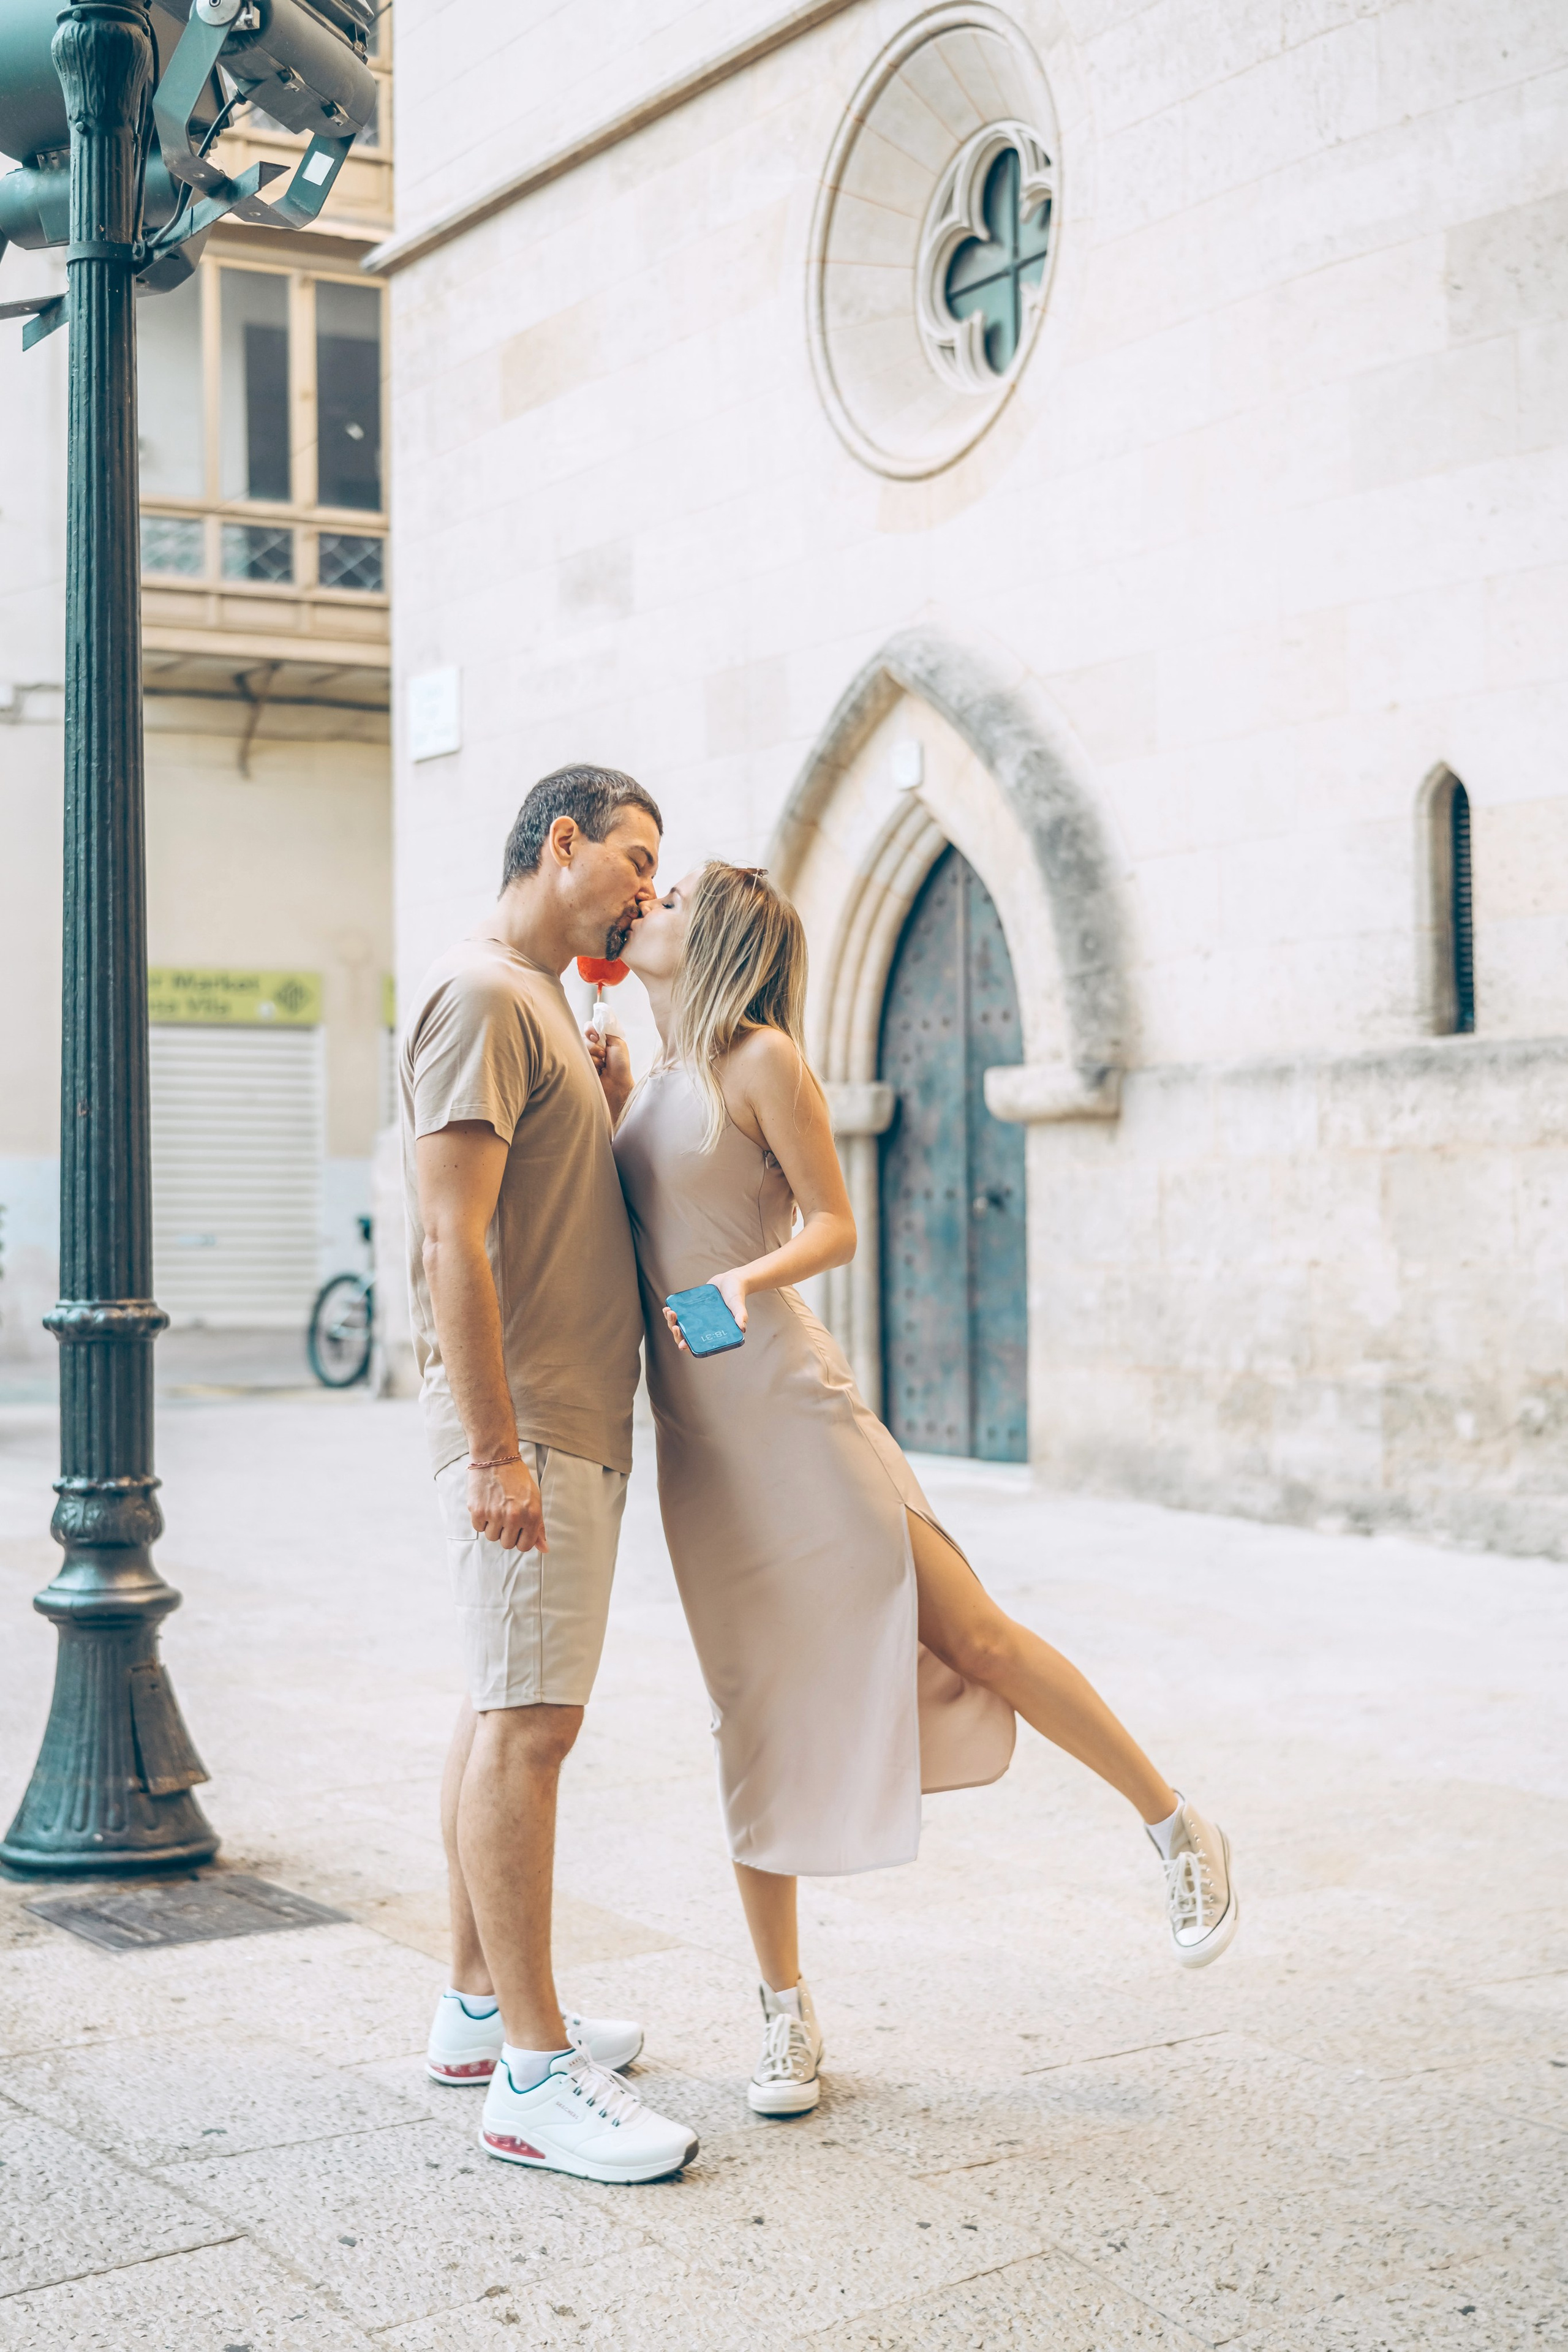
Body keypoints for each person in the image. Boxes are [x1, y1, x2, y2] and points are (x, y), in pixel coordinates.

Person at [608, 862, 1238, 2119]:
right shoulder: (656, 1070)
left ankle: (1175, 1827)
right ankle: (782, 2016)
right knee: (748, 1711)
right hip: (701, 1442)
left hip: (792, 1410)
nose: (649, 904)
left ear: (716, 934)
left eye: (672, 896)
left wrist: (746, 1281)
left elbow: (835, 1221)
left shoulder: (761, 1058)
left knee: (975, 1636)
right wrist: (620, 1093)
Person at [401, 763, 700, 2184]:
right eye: (633, 858)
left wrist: (611, 1089)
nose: (649, 888)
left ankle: (477, 2013)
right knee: (532, 1731)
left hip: (568, 1412)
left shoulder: (535, 1005)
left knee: (496, 1705)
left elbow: (546, 1206)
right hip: (533, 1422)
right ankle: (531, 2072)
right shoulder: (477, 993)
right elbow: (448, 1241)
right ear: (560, 840)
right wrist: (498, 1449)